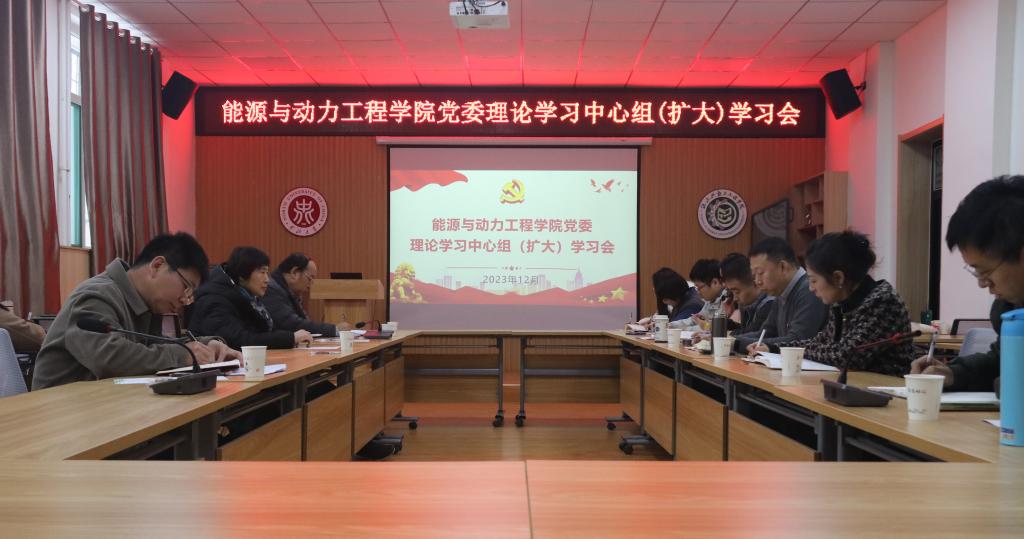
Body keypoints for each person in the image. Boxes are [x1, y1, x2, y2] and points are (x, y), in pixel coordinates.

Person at [32, 233, 239, 390]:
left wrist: (207, 345)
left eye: (191, 294)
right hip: (61, 417)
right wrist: (184, 355)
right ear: (157, 266)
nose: (185, 301)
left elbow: (156, 346)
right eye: (186, 287)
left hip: (104, 409)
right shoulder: (96, 295)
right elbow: (108, 357)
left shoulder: (145, 304)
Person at [911, 175, 1024, 391]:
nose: (983, 284)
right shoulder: (1009, 308)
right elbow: (1001, 362)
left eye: (985, 272)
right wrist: (953, 374)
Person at [753, 232, 914, 375]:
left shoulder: (882, 302)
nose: (811, 288)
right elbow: (820, 342)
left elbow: (844, 355)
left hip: (885, 392)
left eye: (813, 280)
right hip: (852, 387)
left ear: (838, 278)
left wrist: (787, 351)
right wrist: (774, 348)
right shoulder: (841, 303)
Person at [188, 247, 313, 350]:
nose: (267, 280)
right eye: (262, 272)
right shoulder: (214, 299)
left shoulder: (248, 297)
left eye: (267, 273)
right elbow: (238, 341)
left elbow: (261, 333)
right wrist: (290, 338)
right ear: (242, 274)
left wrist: (290, 338)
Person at [735, 237, 828, 353]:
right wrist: (730, 340)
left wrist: (735, 343)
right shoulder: (781, 292)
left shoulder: (809, 291)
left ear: (783, 267)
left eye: (760, 273)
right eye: (754, 275)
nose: (757, 281)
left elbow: (797, 341)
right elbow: (765, 333)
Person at [264, 253, 340, 337]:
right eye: (310, 278)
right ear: (294, 273)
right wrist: (334, 329)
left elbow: (302, 321)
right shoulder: (270, 290)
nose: (311, 284)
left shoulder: (288, 291)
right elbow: (292, 324)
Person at [719, 252, 775, 336]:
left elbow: (754, 334)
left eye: (737, 292)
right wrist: (724, 324)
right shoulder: (746, 304)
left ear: (754, 281)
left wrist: (726, 334)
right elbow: (745, 330)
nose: (735, 298)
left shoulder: (769, 304)